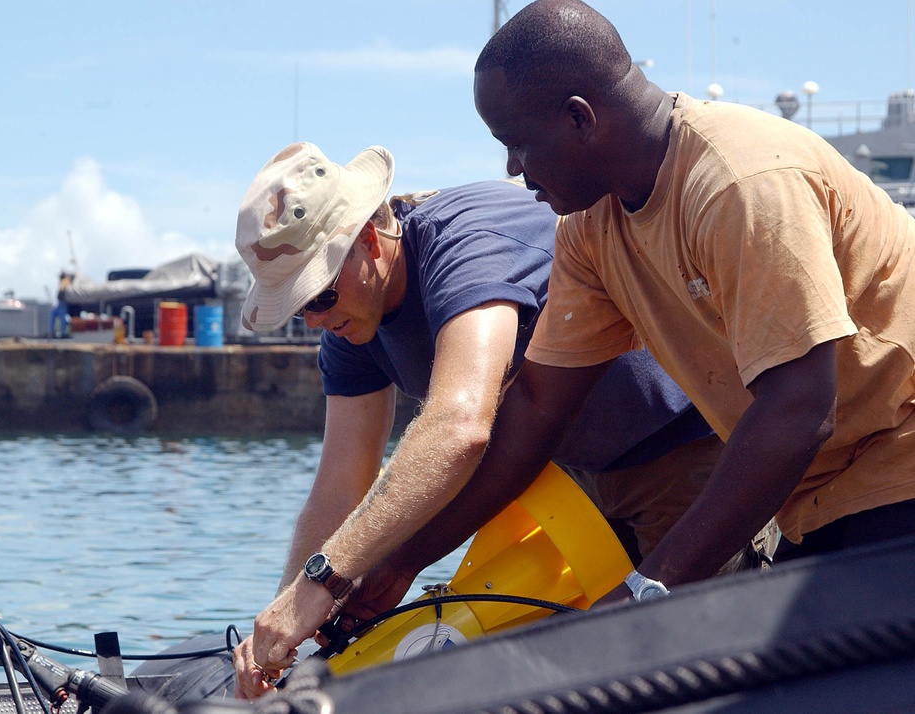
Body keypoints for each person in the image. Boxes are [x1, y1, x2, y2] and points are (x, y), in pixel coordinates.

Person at [371, 0, 915, 616]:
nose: (511, 170)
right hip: (817, 497)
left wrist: (646, 589)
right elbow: (536, 408)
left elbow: (797, 408)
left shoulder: (739, 185)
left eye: (517, 145)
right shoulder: (588, 226)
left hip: (898, 460)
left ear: (580, 119)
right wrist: (402, 560)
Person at [230, 141, 765, 698]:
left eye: (318, 293)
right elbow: (341, 481)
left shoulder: (464, 245)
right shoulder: (350, 320)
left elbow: (459, 426)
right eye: (298, 306)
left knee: (689, 672)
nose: (314, 318)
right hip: (563, 481)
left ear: (368, 239)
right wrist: (285, 620)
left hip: (685, 444)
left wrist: (324, 580)